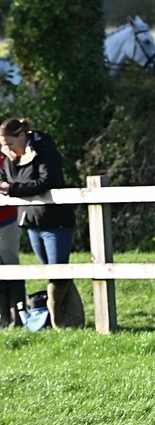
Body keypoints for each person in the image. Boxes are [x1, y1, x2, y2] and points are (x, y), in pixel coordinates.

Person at [0, 118, 84, 328]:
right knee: (51, 270)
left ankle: (59, 322)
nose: (6, 149)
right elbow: (5, 178)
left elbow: (47, 181)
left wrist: (13, 189)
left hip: (55, 221)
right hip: (32, 220)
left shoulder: (45, 151)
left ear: (22, 136)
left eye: (9, 143)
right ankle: (71, 320)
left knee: (57, 271)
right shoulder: (12, 158)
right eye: (3, 145)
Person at [0, 142, 19, 327]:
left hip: (6, 220)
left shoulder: (4, 154)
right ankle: (2, 317)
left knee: (11, 267)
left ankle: (17, 316)